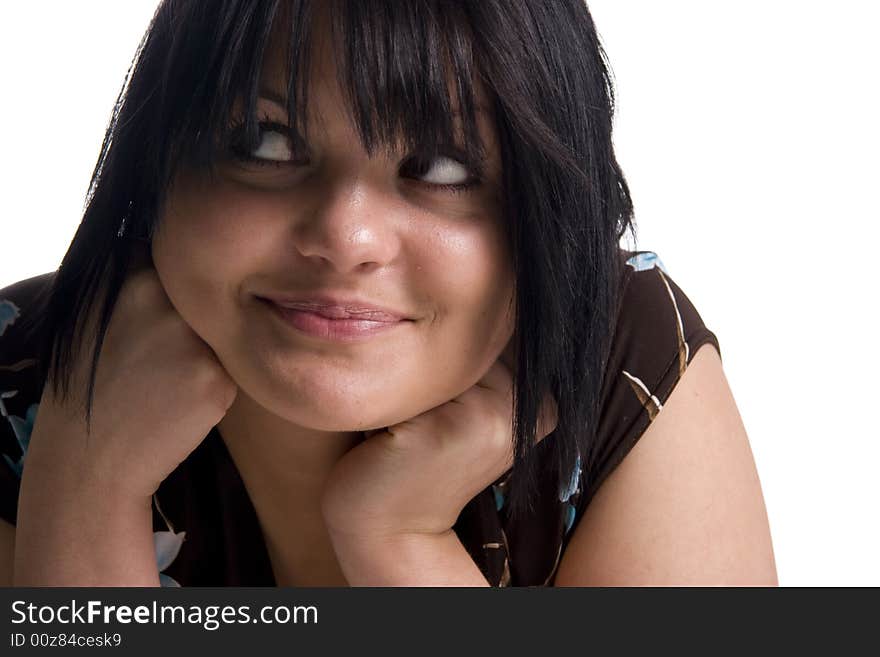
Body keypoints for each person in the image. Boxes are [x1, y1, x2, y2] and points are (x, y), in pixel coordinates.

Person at [0, 0, 777, 587]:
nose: (346, 236)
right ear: (157, 157)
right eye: (265, 143)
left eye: (441, 167)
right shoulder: (25, 375)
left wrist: (399, 542)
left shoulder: (622, 366)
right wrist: (85, 490)